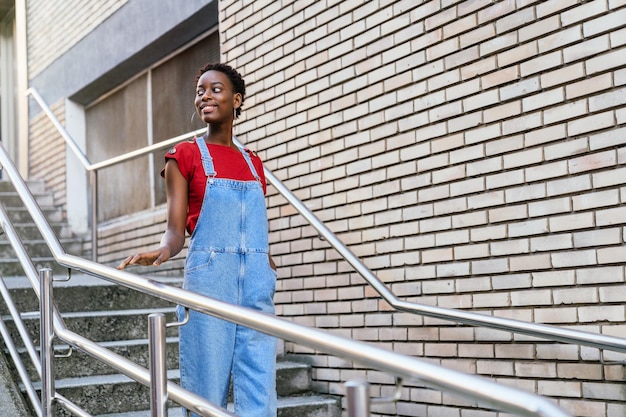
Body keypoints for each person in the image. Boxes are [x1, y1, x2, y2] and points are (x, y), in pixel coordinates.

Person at [118, 62, 278, 417]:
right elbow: (176, 230)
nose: (204, 96)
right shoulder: (185, 156)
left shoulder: (254, 163)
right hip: (209, 279)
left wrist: (265, 264)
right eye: (199, 91)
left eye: (215, 89)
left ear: (237, 100)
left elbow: (253, 225)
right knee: (206, 389)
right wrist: (162, 249)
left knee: (260, 386)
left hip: (256, 282)